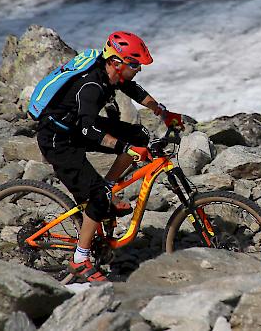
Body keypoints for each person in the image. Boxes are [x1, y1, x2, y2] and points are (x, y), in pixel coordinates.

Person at [36, 31, 182, 282]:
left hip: (76, 126)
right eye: (134, 64)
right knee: (98, 196)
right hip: (58, 139)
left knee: (140, 136)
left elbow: (134, 89)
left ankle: (109, 186)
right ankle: (80, 259)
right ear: (117, 62)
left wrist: (161, 111)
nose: (138, 69)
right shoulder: (91, 86)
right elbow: (87, 130)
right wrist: (125, 149)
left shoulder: (112, 73)